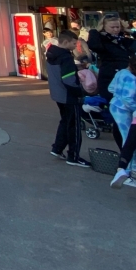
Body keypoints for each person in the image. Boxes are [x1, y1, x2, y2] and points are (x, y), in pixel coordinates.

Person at [47, 30, 90, 168]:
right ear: (65, 42)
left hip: (58, 94)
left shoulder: (52, 53)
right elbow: (69, 79)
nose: (75, 45)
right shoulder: (66, 57)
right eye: (73, 43)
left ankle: (57, 148)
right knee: (74, 126)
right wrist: (80, 92)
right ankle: (74, 156)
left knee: (65, 121)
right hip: (69, 96)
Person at [107, 55, 136, 162]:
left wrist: (121, 93)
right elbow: (129, 99)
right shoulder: (132, 78)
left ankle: (132, 162)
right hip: (123, 109)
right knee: (130, 139)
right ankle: (133, 167)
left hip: (116, 105)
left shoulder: (120, 72)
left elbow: (111, 88)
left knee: (127, 137)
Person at [87, 14, 136, 98]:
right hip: (109, 77)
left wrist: (131, 31)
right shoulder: (102, 40)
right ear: (104, 27)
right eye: (112, 27)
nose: (115, 30)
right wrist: (94, 31)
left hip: (126, 77)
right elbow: (94, 46)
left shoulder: (123, 40)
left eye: (117, 27)